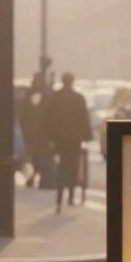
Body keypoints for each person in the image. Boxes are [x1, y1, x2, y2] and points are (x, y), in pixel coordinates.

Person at [44, 72, 93, 213]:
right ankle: (71, 195)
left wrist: (50, 137)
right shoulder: (78, 98)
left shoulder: (56, 97)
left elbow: (48, 119)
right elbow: (84, 118)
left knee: (62, 165)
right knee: (73, 165)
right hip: (74, 139)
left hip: (60, 139)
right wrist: (87, 135)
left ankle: (59, 196)